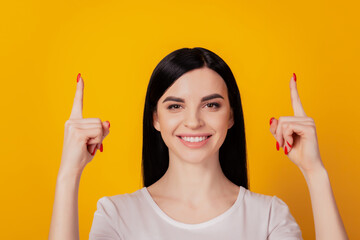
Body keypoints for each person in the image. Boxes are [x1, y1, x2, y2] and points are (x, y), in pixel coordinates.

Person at [49, 47, 348, 240]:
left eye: (211, 105)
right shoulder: (117, 216)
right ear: (155, 119)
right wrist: (67, 176)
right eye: (175, 106)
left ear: (231, 116)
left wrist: (315, 172)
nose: (193, 121)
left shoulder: (269, 217)